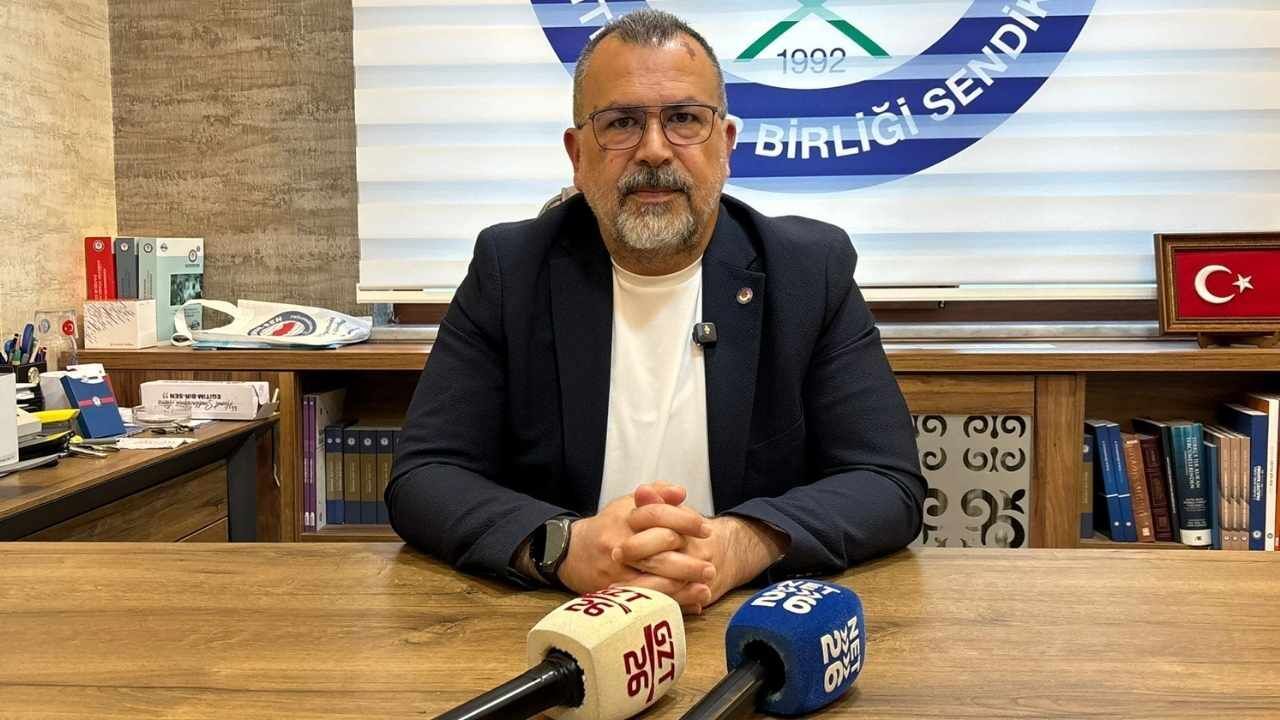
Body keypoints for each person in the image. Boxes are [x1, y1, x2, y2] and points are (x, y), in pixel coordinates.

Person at [387, 9, 926, 613]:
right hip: (554, 619)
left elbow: (886, 483)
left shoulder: (808, 270)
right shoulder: (510, 270)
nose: (653, 150)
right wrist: (564, 546)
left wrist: (737, 545)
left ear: (725, 145)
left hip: (748, 618)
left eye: (684, 119)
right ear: (577, 154)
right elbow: (425, 476)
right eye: (620, 123)